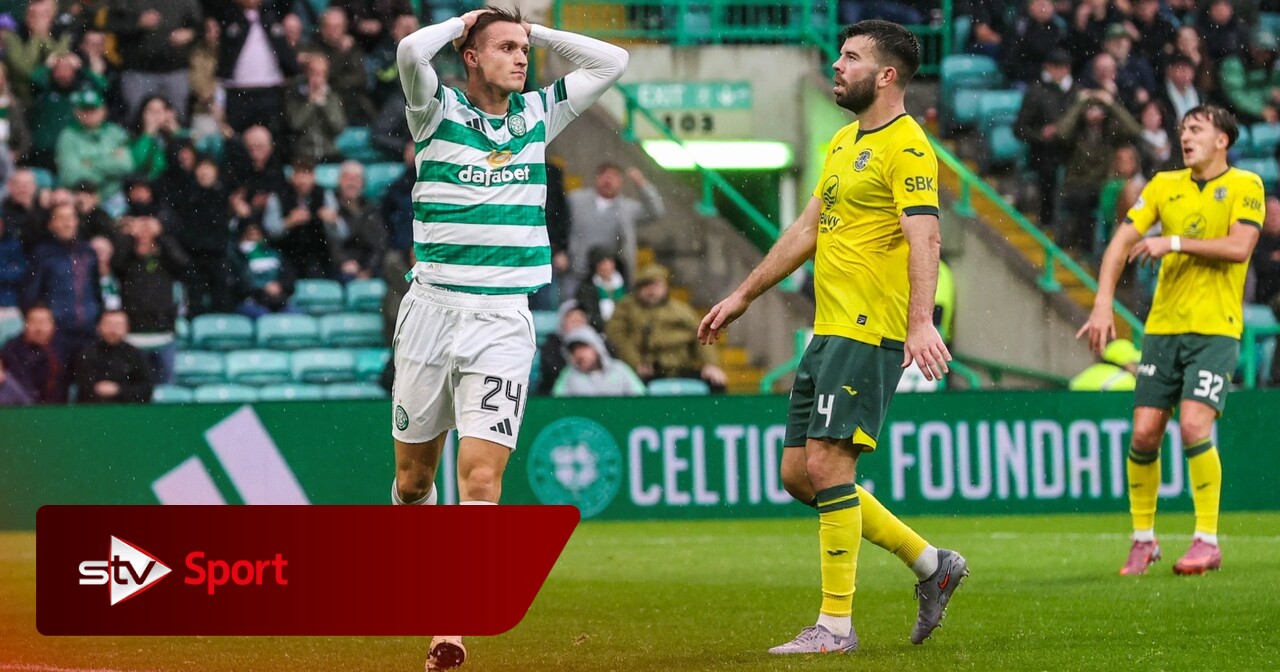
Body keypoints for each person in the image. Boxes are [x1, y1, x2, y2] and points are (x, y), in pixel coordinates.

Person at [697, 20, 968, 654]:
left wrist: (920, 321)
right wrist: (743, 295)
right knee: (800, 475)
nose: (837, 66)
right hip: (828, 331)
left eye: (851, 57)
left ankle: (835, 627)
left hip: (868, 329)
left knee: (827, 465)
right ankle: (933, 565)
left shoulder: (909, 146)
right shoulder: (845, 142)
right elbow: (806, 229)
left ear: (887, 75)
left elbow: (925, 235)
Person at [390, 8, 627, 670]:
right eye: (506, 48)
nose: (522, 58)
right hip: (432, 311)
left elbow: (613, 62)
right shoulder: (435, 111)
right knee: (413, 480)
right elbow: (409, 51)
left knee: (481, 478)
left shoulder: (537, 115)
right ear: (470, 56)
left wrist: (534, 29)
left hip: (503, 321)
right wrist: (466, 20)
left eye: (525, 49)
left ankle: (450, 619)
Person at [1078, 104, 1264, 577]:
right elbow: (1121, 243)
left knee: (1194, 426)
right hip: (1162, 329)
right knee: (1144, 433)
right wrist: (1102, 302)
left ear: (1222, 140)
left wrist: (1174, 242)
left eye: (1197, 129)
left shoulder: (1246, 185)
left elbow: (1240, 247)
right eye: (1184, 129)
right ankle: (1144, 540)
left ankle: (1207, 541)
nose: (1186, 136)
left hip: (1215, 329)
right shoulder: (1164, 185)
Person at [606, 263, 725, 392]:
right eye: (646, 285)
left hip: (681, 370)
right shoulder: (626, 309)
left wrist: (711, 364)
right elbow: (617, 336)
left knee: (716, 384)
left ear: (666, 287)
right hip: (646, 371)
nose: (651, 290)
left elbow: (702, 336)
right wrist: (636, 363)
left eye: (656, 285)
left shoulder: (682, 311)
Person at [563, 161, 664, 298]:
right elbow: (558, 223)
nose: (608, 180)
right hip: (576, 272)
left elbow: (656, 212)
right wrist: (561, 251)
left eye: (614, 176)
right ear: (596, 178)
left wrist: (642, 184)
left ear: (621, 182)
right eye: (604, 175)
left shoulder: (627, 208)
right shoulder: (576, 200)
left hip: (611, 276)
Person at [72, 309, 153, 404]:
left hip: (127, 408)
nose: (113, 330)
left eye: (118, 325)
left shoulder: (136, 354)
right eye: (109, 324)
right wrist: (99, 390)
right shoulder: (87, 353)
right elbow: (82, 387)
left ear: (127, 328)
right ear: (98, 327)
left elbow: (146, 389)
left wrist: (119, 390)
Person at [551, 325, 645, 397]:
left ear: (597, 347)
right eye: (574, 350)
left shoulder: (620, 370)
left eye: (583, 347)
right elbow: (557, 405)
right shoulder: (568, 375)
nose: (579, 354)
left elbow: (641, 399)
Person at [1069, 338, 1141, 391]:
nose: (1136, 368)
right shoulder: (1128, 381)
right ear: (1125, 362)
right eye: (1134, 363)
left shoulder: (1089, 372)